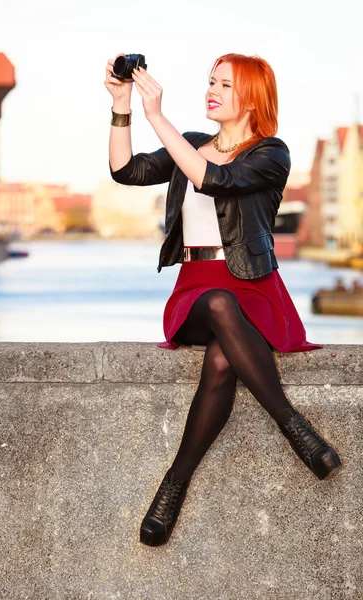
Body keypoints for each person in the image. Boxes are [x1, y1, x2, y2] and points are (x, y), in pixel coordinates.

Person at [105, 52, 342, 547]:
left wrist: (158, 117)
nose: (211, 91)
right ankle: (294, 426)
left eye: (225, 85)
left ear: (252, 97)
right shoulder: (189, 145)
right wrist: (124, 106)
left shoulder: (271, 153)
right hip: (197, 290)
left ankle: (173, 485)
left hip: (254, 290)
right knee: (216, 304)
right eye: (210, 82)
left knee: (220, 358)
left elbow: (214, 180)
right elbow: (125, 171)